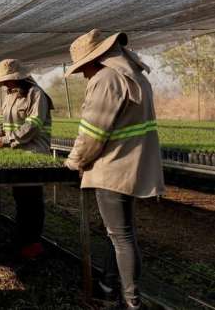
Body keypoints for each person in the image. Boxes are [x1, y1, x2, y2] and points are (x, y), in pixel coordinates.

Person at [64, 29, 164, 310]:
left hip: (113, 168)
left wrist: (74, 162)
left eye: (84, 68)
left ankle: (131, 302)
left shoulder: (106, 79)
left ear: (96, 59)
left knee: (121, 238)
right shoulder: (134, 74)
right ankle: (109, 289)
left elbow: (93, 133)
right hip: (132, 164)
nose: (84, 74)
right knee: (121, 234)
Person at [0, 59, 53, 260]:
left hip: (33, 155)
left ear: (19, 77)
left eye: (9, 80)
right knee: (21, 198)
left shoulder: (36, 94)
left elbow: (33, 126)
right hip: (16, 155)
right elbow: (2, 120)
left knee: (32, 200)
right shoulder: (9, 95)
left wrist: (7, 140)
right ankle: (22, 240)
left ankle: (32, 244)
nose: (6, 84)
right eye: (4, 81)